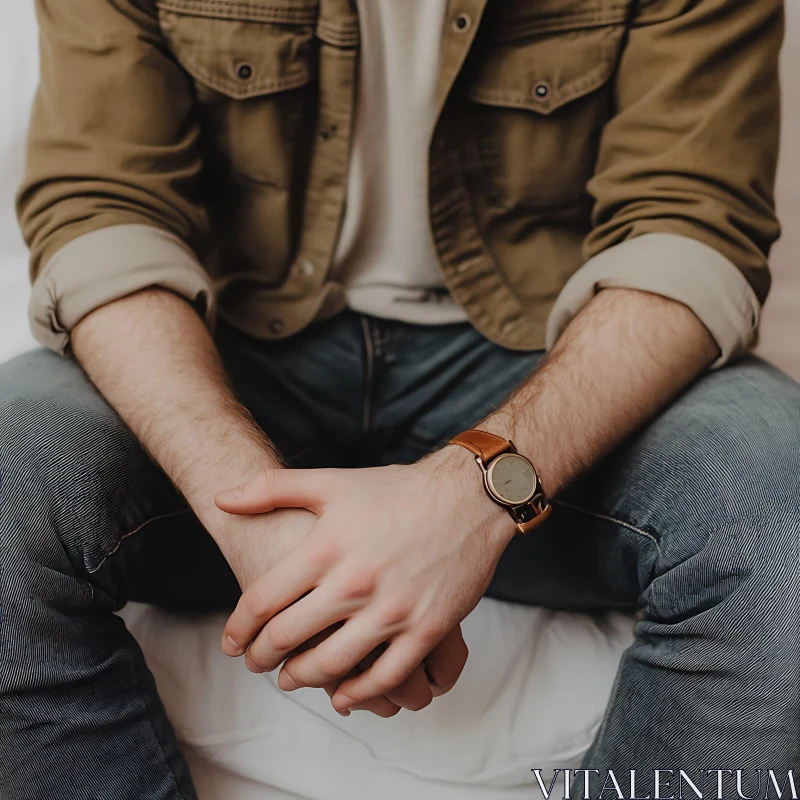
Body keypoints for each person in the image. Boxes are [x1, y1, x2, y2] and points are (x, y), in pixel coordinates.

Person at [1, 0, 796, 797]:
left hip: (553, 354)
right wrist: (253, 521)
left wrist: (470, 500)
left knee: (779, 525)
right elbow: (102, 208)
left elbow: (691, 222)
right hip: (227, 351)